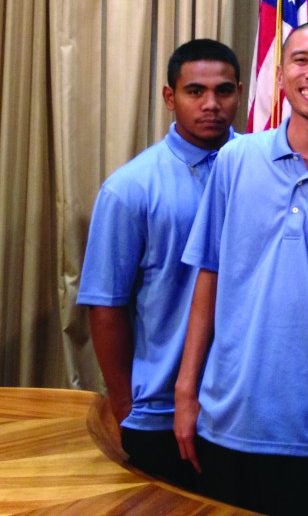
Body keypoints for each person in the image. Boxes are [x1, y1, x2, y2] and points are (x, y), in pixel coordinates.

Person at [173, 22, 308, 514]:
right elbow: (208, 276)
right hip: (228, 419)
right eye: (300, 60)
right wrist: (185, 391)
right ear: (279, 76)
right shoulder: (235, 159)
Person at [77, 39, 241, 488]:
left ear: (240, 93)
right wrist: (126, 407)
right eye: (195, 91)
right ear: (170, 97)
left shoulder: (266, 171)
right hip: (160, 413)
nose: (211, 104)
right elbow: (105, 306)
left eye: (224, 91)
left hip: (245, 411)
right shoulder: (130, 189)